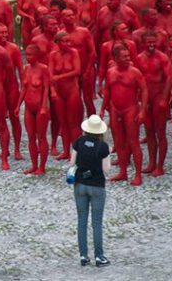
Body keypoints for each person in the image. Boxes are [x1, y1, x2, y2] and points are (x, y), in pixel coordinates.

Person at [71, 114, 112, 267]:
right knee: (96, 222)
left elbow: (72, 162)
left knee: (81, 221)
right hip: (97, 186)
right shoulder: (103, 146)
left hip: (80, 184)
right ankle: (99, 256)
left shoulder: (79, 142)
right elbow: (106, 169)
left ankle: (83, 255)